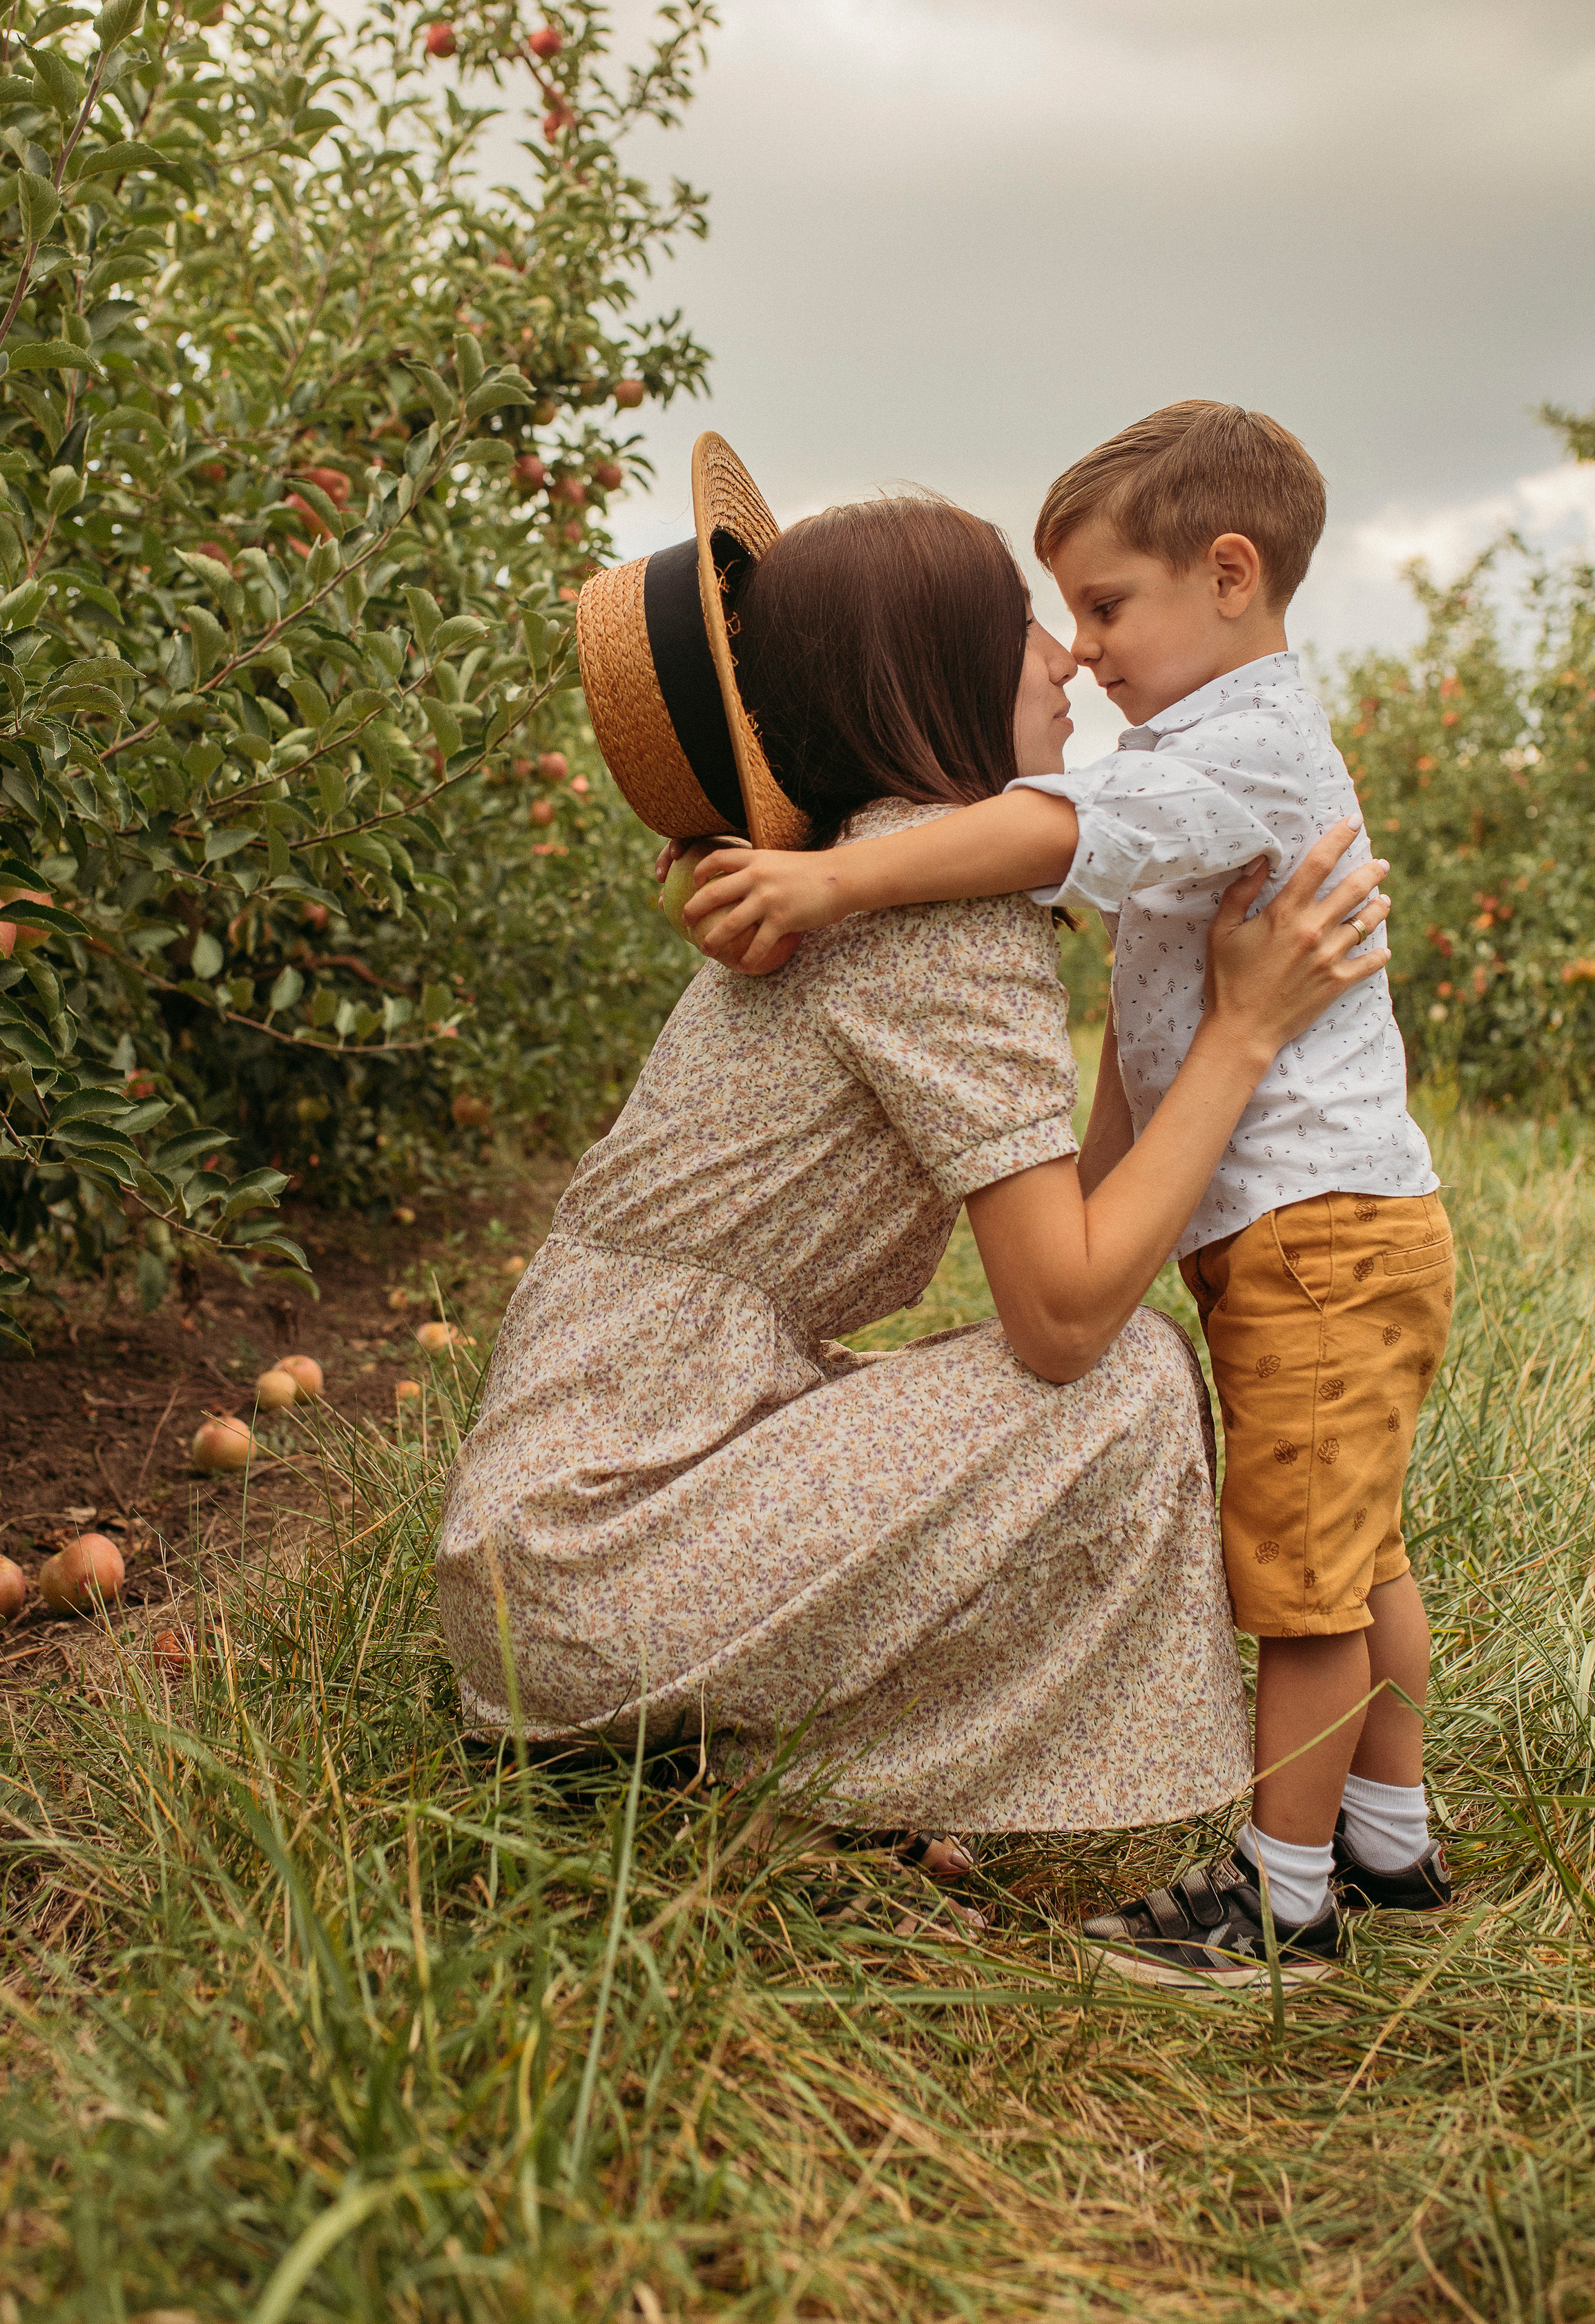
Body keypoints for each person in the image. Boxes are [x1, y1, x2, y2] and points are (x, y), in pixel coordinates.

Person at [437, 432, 1389, 1913]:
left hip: (574, 1514)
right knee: (1121, 1381)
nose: (1064, 661)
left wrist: (1173, 1030)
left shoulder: (877, 868)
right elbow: (1061, 1315)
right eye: (1024, 618)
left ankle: (705, 1749)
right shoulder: (931, 920)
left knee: (1090, 1376)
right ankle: (767, 1749)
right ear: (932, 668)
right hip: (598, 1547)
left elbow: (1070, 1203)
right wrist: (1244, 1033)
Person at [682, 402, 1454, 1986]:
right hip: (1312, 1229)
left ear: (1227, 576)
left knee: (1301, 1585)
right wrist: (1093, 1197)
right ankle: (1386, 1837)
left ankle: (1281, 1895)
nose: (1082, 651)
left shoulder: (1242, 751)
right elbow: (1146, 1034)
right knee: (1356, 1551)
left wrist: (832, 878)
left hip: (1318, 1233)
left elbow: (1054, 830)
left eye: (1105, 606)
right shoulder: (1196, 749)